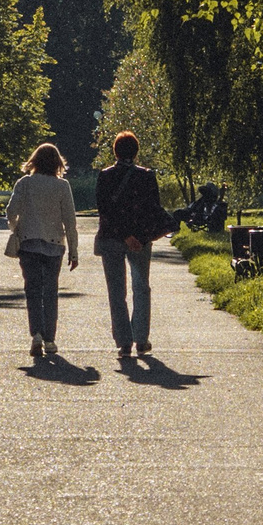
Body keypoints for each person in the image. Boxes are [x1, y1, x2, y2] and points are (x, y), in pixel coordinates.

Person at [94, 131, 173, 358]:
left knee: (116, 292)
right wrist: (137, 235)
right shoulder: (146, 176)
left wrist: (123, 234)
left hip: (112, 239)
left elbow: (104, 210)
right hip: (140, 241)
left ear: (115, 151)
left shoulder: (105, 176)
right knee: (141, 288)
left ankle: (123, 341)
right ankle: (141, 338)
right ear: (136, 151)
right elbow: (153, 210)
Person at [4, 142, 79, 361]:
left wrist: (15, 227)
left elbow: (11, 210)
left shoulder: (24, 183)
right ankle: (50, 339)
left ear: (34, 161)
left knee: (33, 290)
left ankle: (36, 334)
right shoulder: (62, 186)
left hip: (28, 243)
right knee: (50, 292)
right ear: (57, 163)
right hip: (54, 245)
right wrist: (74, 251)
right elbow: (70, 221)